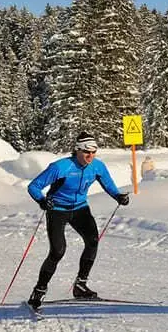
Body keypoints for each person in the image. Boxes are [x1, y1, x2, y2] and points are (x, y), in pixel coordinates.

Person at [25, 132, 130, 310]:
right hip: (57, 210)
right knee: (58, 252)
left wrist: (118, 196)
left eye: (94, 152)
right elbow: (33, 186)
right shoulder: (60, 167)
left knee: (92, 241)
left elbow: (108, 184)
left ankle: (80, 285)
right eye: (86, 152)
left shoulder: (97, 166)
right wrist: (43, 201)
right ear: (77, 150)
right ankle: (39, 290)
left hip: (80, 209)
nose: (90, 156)